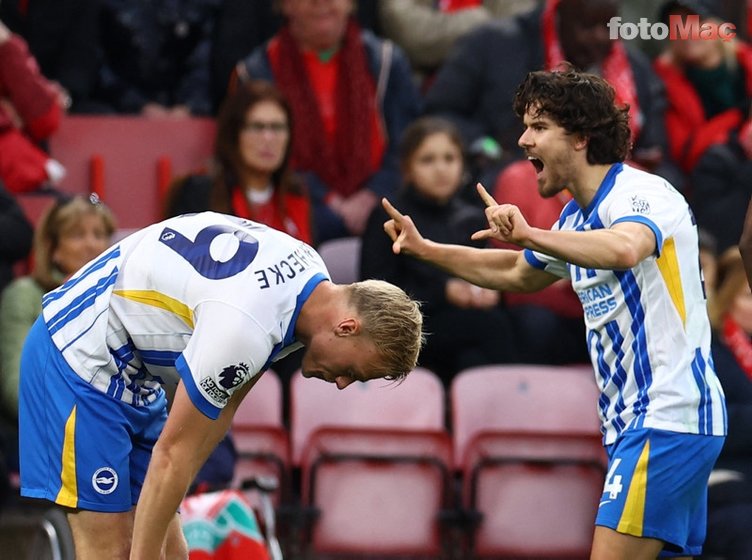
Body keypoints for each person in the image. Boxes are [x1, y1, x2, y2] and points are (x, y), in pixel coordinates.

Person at [382, 66, 726, 558]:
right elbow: (518, 274)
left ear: (582, 137)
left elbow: (625, 248)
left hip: (667, 418)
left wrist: (530, 234)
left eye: (539, 127)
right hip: (642, 423)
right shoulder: (575, 218)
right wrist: (427, 250)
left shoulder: (642, 194)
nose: (523, 140)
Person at [17, 211, 424, 559]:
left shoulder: (312, 276)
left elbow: (219, 412)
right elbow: (173, 457)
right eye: (352, 372)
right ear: (347, 327)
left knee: (171, 551)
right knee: (111, 549)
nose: (340, 383)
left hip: (133, 368)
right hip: (80, 354)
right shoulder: (246, 329)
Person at [423, 0, 675, 190]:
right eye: (588, 26)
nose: (600, 37)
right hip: (510, 183)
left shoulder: (635, 70)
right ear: (560, 14)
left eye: (609, 26)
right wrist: (488, 147)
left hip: (612, 194)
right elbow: (440, 113)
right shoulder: (493, 45)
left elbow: (656, 151)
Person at [232, 0, 422, 243]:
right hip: (297, 201)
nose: (321, 3)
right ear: (284, 5)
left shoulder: (387, 62)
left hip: (383, 197)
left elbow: (407, 144)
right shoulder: (256, 72)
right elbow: (253, 153)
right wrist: (329, 199)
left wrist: (371, 195)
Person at [360, 116, 519, 385]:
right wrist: (444, 292)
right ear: (407, 168)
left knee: (476, 354)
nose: (441, 169)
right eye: (428, 160)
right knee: (489, 327)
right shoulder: (388, 216)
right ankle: (515, 403)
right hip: (407, 330)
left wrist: (492, 290)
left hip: (465, 329)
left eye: (449, 158)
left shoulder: (471, 217)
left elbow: (490, 271)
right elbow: (374, 292)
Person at [0, 195, 116, 421]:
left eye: (99, 234)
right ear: (53, 248)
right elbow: (15, 389)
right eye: (77, 235)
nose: (91, 245)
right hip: (42, 431)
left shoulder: (118, 299)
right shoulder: (25, 295)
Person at [164, 79, 313, 246]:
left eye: (277, 127)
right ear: (234, 134)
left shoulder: (297, 194)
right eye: (257, 127)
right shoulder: (200, 192)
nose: (269, 138)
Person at [704, 247, 752, 560]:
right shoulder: (707, 350)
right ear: (727, 297)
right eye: (749, 295)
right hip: (720, 486)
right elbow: (706, 422)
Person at [0, 18, 67, 194]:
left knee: (89, 208)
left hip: (19, 174)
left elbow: (45, 121)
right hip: (13, 175)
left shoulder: (7, 48)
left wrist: (8, 47)